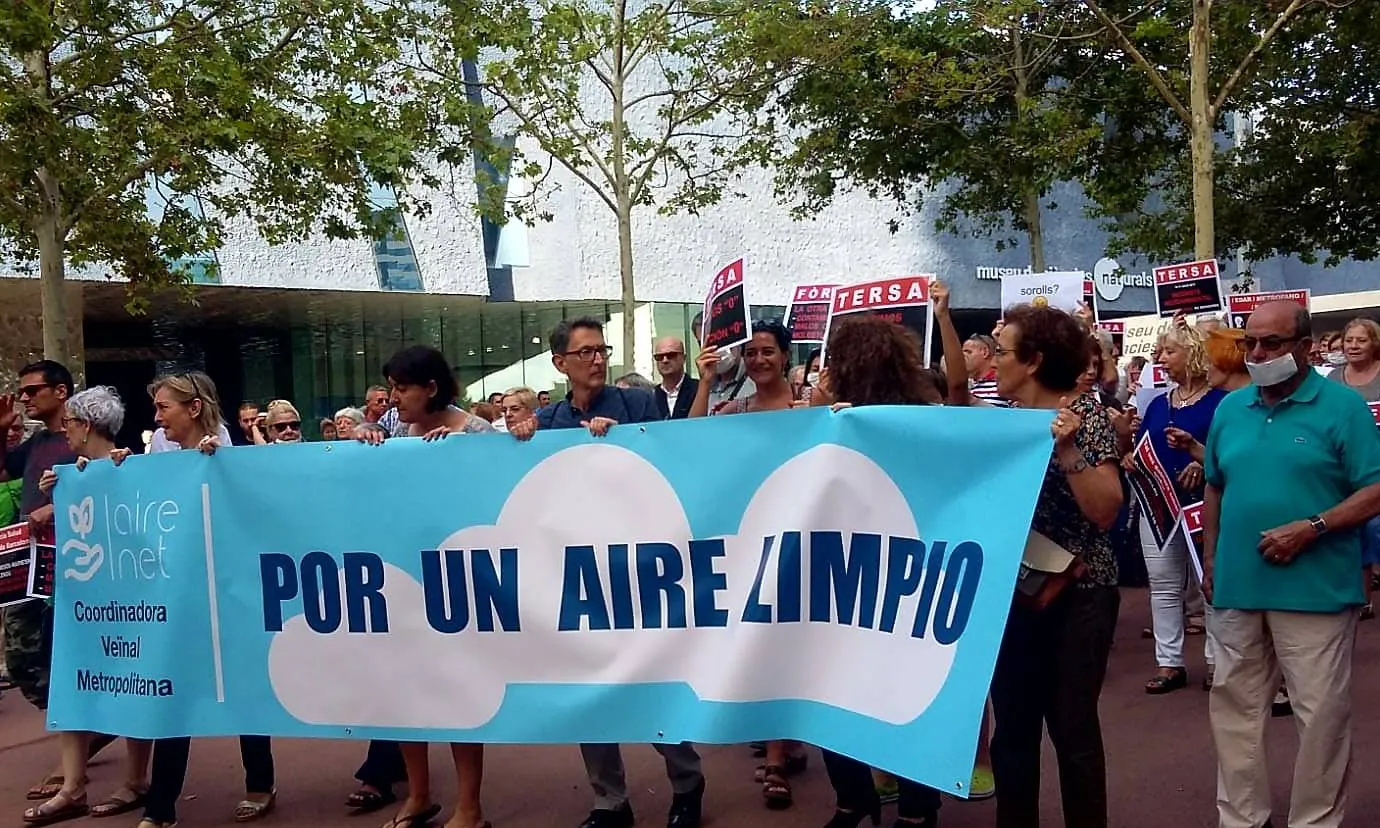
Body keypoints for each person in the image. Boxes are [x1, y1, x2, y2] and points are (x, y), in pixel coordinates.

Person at [510, 317, 704, 828]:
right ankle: (609, 800)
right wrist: (520, 438)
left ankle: (686, 783)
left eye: (602, 349)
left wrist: (625, 443)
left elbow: (673, 459)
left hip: (636, 570)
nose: (597, 359)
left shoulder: (638, 405)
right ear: (560, 364)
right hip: (577, 576)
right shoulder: (549, 420)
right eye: (585, 352)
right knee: (589, 686)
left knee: (651, 677)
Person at [1203, 302, 1380, 828]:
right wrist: (1210, 557)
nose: (1258, 354)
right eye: (1250, 344)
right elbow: (1215, 483)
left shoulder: (1343, 407)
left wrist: (1313, 527)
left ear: (1305, 347)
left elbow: (1374, 488)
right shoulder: (1231, 409)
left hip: (1317, 589)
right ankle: (1241, 819)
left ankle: (1315, 822)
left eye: (1272, 344)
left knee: (1321, 718)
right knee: (1234, 713)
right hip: (1238, 585)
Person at [964, 306, 1125, 828]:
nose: (993, 361)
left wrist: (1068, 449)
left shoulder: (1085, 416)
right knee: (1012, 730)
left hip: (1080, 596)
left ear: (1032, 362)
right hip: (1015, 596)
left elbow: (1105, 510)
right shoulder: (1006, 422)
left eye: (1004, 351)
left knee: (1073, 731)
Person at [807, 315, 945, 828]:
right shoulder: (829, 418)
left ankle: (903, 803)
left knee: (878, 688)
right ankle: (870, 801)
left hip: (886, 573)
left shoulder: (919, 417)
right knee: (844, 689)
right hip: (855, 572)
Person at [358, 346, 494, 828]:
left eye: (401, 388)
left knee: (458, 693)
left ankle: (470, 807)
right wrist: (366, 437)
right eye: (391, 388)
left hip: (456, 585)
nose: (393, 399)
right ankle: (418, 795)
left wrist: (456, 460)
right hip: (400, 580)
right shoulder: (394, 431)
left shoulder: (474, 431)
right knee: (405, 690)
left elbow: (493, 496)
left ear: (431, 388)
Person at [135, 372, 277, 828]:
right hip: (179, 592)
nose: (158, 417)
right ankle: (161, 807)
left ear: (193, 409)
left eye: (164, 407)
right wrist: (113, 468)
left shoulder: (227, 452)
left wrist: (218, 469)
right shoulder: (158, 446)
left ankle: (261, 782)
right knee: (175, 692)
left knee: (241, 684)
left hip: (229, 590)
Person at [25, 387, 154, 825]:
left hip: (128, 597)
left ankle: (136, 780)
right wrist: (59, 494)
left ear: (86, 426)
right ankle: (73, 786)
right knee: (73, 679)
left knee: (134, 680)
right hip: (81, 596)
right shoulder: (72, 476)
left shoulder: (131, 466)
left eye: (71, 426)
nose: (66, 434)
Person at [1128, 324, 1225, 695]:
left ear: (1193, 353)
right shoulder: (1156, 403)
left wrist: (1201, 461)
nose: (1160, 359)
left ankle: (1217, 661)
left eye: (1169, 351)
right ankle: (1169, 662)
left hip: (1204, 504)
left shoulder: (1221, 401)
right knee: (1164, 585)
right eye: (1159, 351)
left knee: (1209, 580)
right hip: (1159, 507)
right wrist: (1129, 456)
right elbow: (1139, 447)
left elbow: (1228, 450)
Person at [652, 336, 698, 419]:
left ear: (684, 358)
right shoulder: (651, 395)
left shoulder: (699, 389)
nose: (665, 360)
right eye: (659, 357)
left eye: (671, 355)